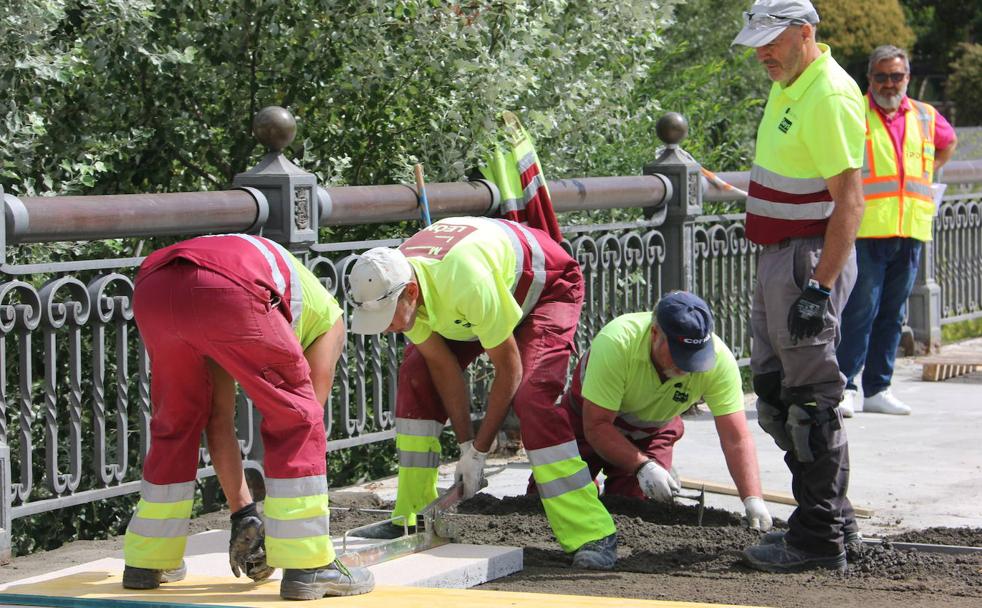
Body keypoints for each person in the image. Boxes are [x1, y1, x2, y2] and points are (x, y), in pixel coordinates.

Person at [347, 216, 617, 568]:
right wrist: (464, 447)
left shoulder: (464, 281)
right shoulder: (395, 277)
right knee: (417, 376)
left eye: (388, 318)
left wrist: (481, 450)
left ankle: (592, 531)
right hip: (485, 290)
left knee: (532, 397)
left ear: (410, 293)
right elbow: (441, 367)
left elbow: (510, 369)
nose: (386, 329)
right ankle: (411, 519)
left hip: (545, 289)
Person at [122, 234, 374, 600]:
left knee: (176, 423)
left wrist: (245, 514)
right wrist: (277, 529)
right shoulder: (329, 323)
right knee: (297, 420)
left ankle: (148, 560)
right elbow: (305, 420)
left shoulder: (276, 292)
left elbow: (218, 420)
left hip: (155, 285)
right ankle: (309, 567)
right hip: (230, 287)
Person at [732, 0, 866, 573]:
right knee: (775, 395)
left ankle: (818, 536)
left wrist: (819, 286)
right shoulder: (792, 81)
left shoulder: (828, 93)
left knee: (811, 401)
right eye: (755, 40)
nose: (761, 51)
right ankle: (832, 516)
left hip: (806, 261)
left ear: (804, 33)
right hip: (780, 259)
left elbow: (851, 200)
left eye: (771, 39)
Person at [559, 292, 773, 534]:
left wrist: (753, 499)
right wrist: (643, 466)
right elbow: (596, 426)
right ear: (654, 334)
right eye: (678, 354)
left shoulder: (719, 362)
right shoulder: (617, 343)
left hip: (651, 430)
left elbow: (736, 438)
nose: (686, 366)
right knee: (553, 500)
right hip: (585, 422)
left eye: (695, 357)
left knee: (634, 508)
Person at [836, 45, 959, 417]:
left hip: (910, 227)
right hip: (866, 228)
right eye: (881, 76)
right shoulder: (854, 111)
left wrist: (929, 171)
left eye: (897, 76)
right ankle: (846, 385)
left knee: (892, 313)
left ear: (908, 77)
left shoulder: (924, 114)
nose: (889, 84)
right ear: (869, 78)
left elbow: (948, 141)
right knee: (860, 311)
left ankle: (878, 388)